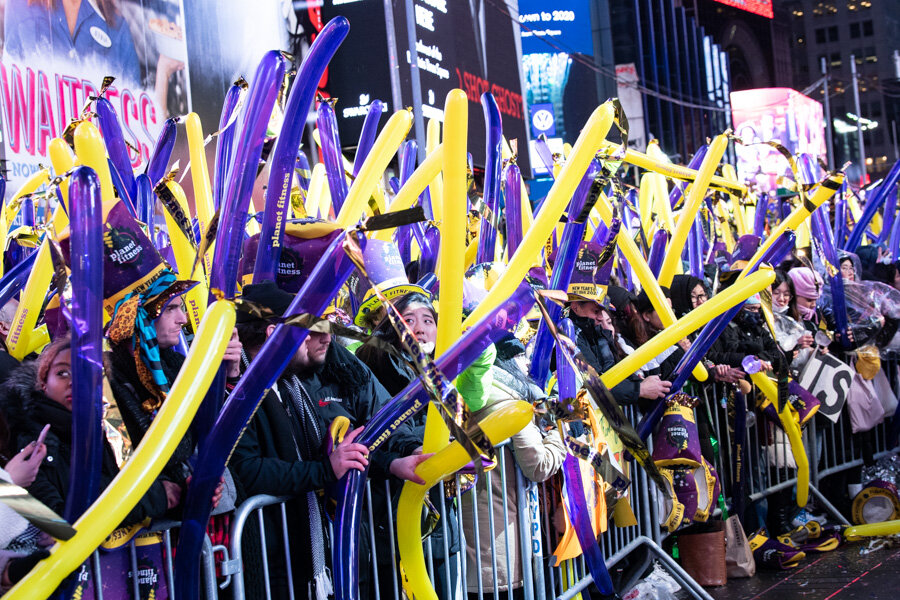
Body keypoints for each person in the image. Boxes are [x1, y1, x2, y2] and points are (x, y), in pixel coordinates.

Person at [230, 282, 427, 599]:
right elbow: (248, 471)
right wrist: (324, 470)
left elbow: (333, 456)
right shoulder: (240, 389)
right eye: (308, 331)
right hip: (273, 565)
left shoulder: (290, 385)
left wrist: (393, 463)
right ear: (273, 335)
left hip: (306, 555)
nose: (321, 340)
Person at [461, 335, 566, 598]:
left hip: (478, 529)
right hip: (497, 538)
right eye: (520, 357)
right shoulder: (506, 400)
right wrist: (557, 434)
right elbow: (538, 465)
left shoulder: (471, 389)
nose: (527, 364)